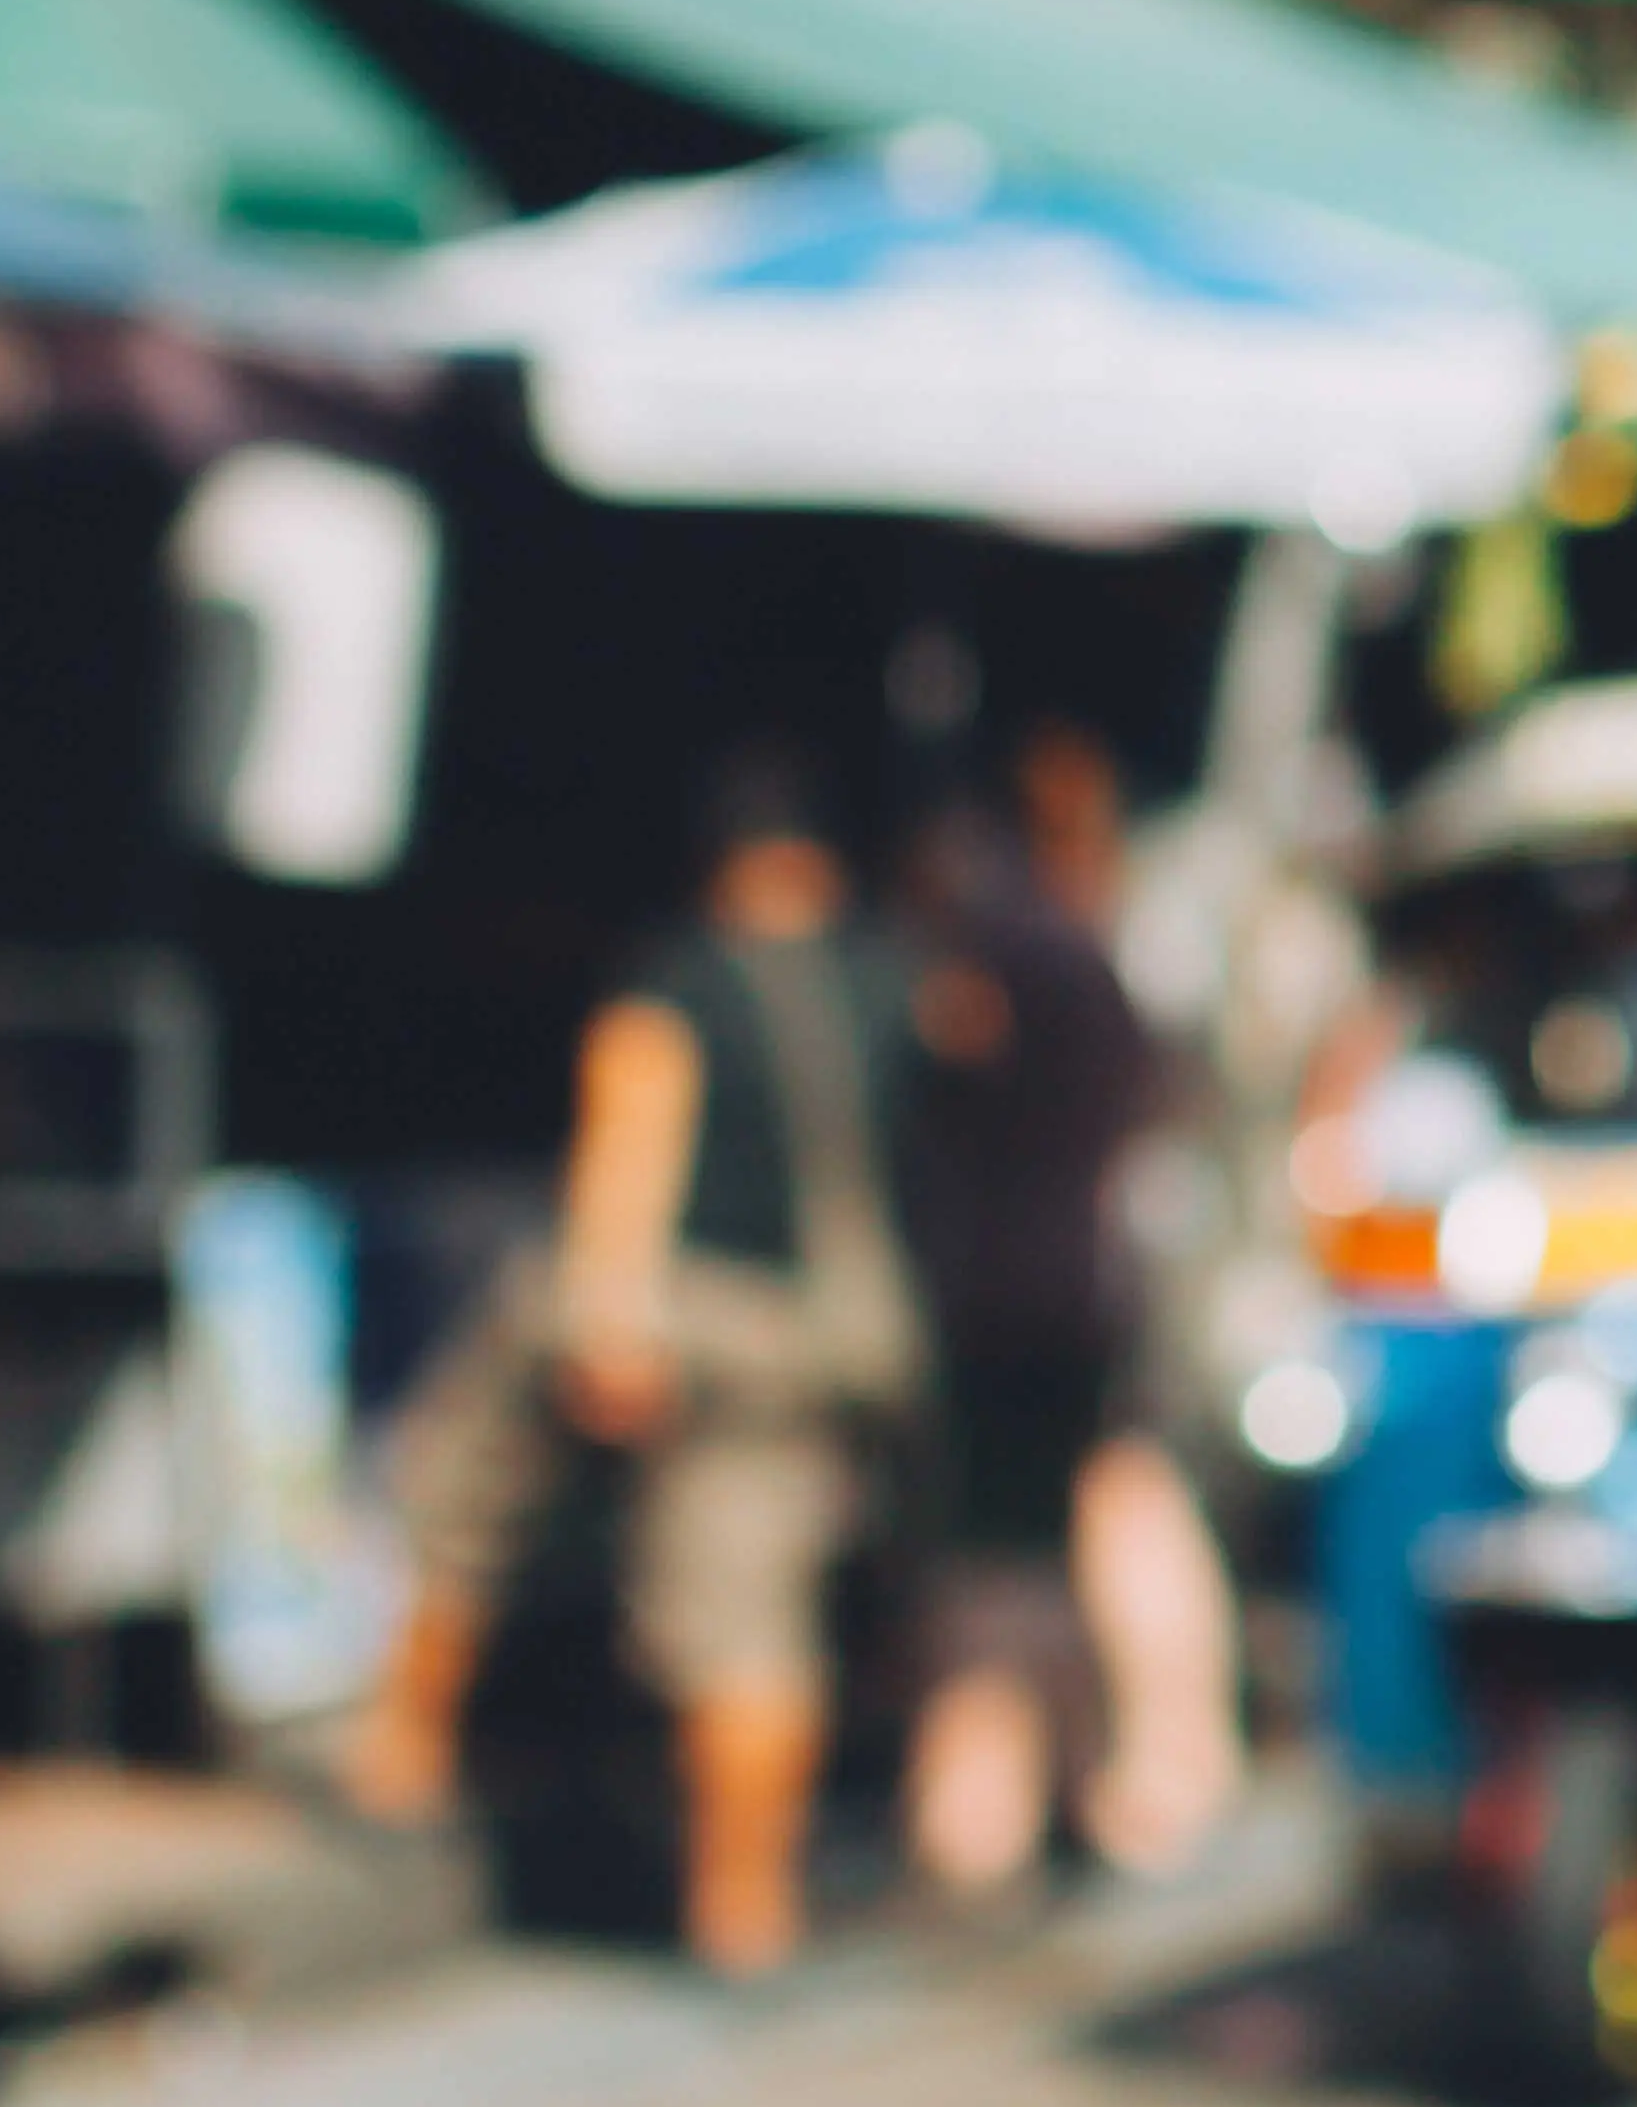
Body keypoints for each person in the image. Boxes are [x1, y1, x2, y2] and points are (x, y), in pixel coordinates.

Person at [347, 750, 930, 1979]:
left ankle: (403, 1746)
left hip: (688, 1308)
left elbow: (630, 1131)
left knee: (461, 1489)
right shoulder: (892, 984)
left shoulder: (683, 979)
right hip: (822, 1344)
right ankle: (747, 1906)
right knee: (754, 1611)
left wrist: (609, 1312)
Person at [889, 725, 1243, 1899]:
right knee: (1066, 1534)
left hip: (1020, 1303)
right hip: (1086, 1290)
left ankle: (1016, 1802)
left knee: (1024, 1547)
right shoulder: (1096, 960)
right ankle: (1088, 1781)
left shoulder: (1015, 958)